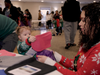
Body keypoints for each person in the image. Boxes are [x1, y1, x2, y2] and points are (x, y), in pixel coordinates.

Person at [37, 2, 100, 75]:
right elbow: (76, 64)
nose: (79, 23)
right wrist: (56, 55)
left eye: (84, 20)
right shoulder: (87, 42)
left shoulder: (98, 52)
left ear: (97, 23)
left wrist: (52, 63)